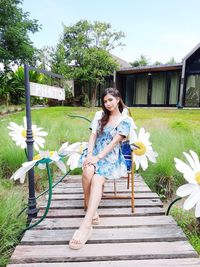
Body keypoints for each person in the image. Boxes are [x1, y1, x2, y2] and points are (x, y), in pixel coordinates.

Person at [69, 88, 133, 250]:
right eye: (105, 101)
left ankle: (86, 225)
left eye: (110, 100)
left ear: (118, 99)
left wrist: (97, 158)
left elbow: (113, 144)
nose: (108, 104)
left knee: (97, 179)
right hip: (94, 152)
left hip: (109, 156)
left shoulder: (125, 120)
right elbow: (93, 136)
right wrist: (90, 155)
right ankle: (88, 204)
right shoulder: (99, 116)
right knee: (87, 171)